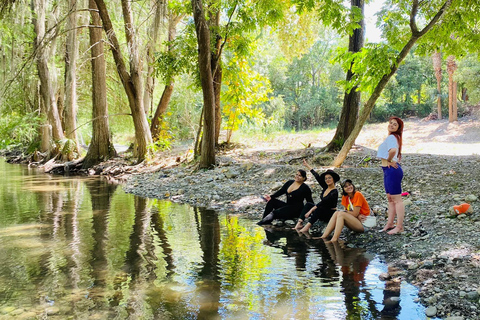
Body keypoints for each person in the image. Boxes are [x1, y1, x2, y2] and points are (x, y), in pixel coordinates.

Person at [293, 160, 339, 233]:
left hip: (330, 214)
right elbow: (317, 176)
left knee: (318, 208)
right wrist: (307, 165)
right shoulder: (325, 187)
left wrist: (310, 211)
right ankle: (299, 223)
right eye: (326, 178)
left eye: (329, 178)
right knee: (308, 204)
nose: (327, 180)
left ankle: (306, 228)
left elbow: (322, 203)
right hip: (322, 210)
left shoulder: (334, 192)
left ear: (333, 179)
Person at [377, 116, 405, 235]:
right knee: (390, 199)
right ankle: (390, 223)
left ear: (398, 128)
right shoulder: (393, 137)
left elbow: (393, 151)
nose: (392, 125)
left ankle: (399, 226)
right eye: (390, 123)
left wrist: (389, 160)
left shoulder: (392, 137)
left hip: (392, 170)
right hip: (387, 170)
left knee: (397, 200)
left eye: (395, 124)